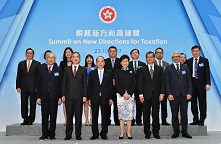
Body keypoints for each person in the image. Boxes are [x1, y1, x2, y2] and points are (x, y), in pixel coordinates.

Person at [165, 52, 192, 139]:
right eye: (174, 57)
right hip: (173, 95)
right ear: (172, 58)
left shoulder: (185, 67)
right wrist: (169, 94)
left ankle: (184, 131)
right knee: (174, 114)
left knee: (184, 114)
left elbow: (189, 81)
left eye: (177, 56)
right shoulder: (168, 68)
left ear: (180, 57)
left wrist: (189, 93)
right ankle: (176, 131)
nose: (176, 58)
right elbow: (167, 82)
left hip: (184, 94)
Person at [138, 51, 165, 139]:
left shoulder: (159, 69)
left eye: (151, 57)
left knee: (156, 114)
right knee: (146, 115)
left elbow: (162, 82)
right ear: (146, 59)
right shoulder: (142, 69)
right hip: (145, 96)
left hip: (156, 95)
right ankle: (147, 133)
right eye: (148, 57)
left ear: (154, 58)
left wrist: (162, 94)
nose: (149, 59)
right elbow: (140, 83)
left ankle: (156, 132)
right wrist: (140, 95)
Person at [37, 52, 62, 140]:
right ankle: (44, 133)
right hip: (44, 96)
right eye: (49, 57)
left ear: (54, 59)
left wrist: (60, 96)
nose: (51, 59)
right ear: (46, 59)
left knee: (53, 115)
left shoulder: (59, 69)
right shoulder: (41, 69)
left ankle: (52, 134)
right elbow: (38, 84)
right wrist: (38, 97)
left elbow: (61, 84)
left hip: (54, 96)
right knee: (44, 116)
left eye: (52, 58)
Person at [62, 52, 87, 140]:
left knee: (78, 116)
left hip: (79, 96)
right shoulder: (66, 69)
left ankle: (78, 134)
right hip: (68, 96)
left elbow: (84, 83)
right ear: (71, 59)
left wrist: (85, 95)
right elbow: (64, 83)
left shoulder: (83, 69)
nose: (75, 58)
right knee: (69, 117)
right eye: (74, 57)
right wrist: (63, 95)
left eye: (77, 57)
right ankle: (68, 134)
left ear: (79, 59)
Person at [88, 56, 113, 140]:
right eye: (98, 61)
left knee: (105, 116)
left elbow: (111, 87)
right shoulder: (92, 73)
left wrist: (111, 98)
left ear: (104, 63)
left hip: (105, 97)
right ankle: (95, 134)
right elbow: (89, 87)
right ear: (96, 62)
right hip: (94, 97)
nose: (100, 63)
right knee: (94, 116)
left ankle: (104, 133)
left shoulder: (109, 72)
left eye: (102, 61)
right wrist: (89, 98)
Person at [186, 45, 211, 126]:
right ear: (192, 52)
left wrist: (208, 83)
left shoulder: (204, 60)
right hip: (192, 84)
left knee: (202, 102)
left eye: (197, 51)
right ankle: (195, 119)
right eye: (194, 51)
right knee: (193, 103)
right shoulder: (189, 61)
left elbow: (207, 73)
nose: (195, 52)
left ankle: (202, 119)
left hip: (201, 85)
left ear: (199, 51)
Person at [16, 48, 41, 125]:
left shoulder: (37, 64)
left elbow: (38, 77)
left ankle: (31, 119)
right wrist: (18, 86)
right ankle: (25, 119)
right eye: (28, 53)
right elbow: (18, 75)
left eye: (31, 53)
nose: (29, 54)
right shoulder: (21, 63)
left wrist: (38, 87)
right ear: (25, 54)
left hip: (33, 87)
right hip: (23, 87)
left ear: (33, 55)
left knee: (33, 104)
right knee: (23, 103)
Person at [115, 55, 136, 139]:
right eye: (123, 61)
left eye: (126, 61)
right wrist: (123, 94)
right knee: (121, 114)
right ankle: (122, 132)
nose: (125, 62)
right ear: (120, 63)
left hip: (130, 95)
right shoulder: (117, 72)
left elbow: (134, 83)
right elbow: (116, 84)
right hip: (120, 96)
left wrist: (129, 94)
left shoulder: (132, 71)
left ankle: (129, 132)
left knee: (129, 114)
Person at [104, 46, 121, 125]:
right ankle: (107, 120)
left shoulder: (120, 61)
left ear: (116, 52)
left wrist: (117, 81)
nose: (113, 52)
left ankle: (117, 120)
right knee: (107, 104)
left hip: (118, 87)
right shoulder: (105, 61)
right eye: (111, 51)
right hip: (107, 87)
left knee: (117, 104)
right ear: (108, 52)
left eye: (114, 51)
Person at [128, 49, 146, 126]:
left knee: (139, 105)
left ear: (138, 54)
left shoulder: (143, 64)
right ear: (131, 55)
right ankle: (131, 120)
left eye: (136, 53)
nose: (134, 54)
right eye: (133, 53)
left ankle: (139, 120)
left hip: (140, 87)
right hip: (130, 88)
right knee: (130, 105)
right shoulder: (127, 64)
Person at [154, 47, 170, 126]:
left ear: (163, 54)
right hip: (154, 89)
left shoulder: (167, 64)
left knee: (164, 106)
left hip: (164, 88)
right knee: (155, 106)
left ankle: (164, 120)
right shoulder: (151, 63)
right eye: (158, 52)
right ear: (155, 54)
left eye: (161, 53)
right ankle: (155, 121)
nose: (159, 54)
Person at [59, 47, 73, 126]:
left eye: (69, 52)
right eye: (66, 52)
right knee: (65, 103)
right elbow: (60, 75)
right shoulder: (62, 63)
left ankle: (71, 119)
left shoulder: (75, 62)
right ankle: (66, 119)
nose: (68, 53)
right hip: (65, 85)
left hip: (74, 86)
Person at [84, 54, 97, 126]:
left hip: (93, 88)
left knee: (92, 104)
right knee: (85, 104)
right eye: (87, 58)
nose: (89, 59)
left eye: (90, 58)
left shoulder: (95, 68)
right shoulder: (83, 68)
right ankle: (86, 120)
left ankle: (92, 119)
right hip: (85, 88)